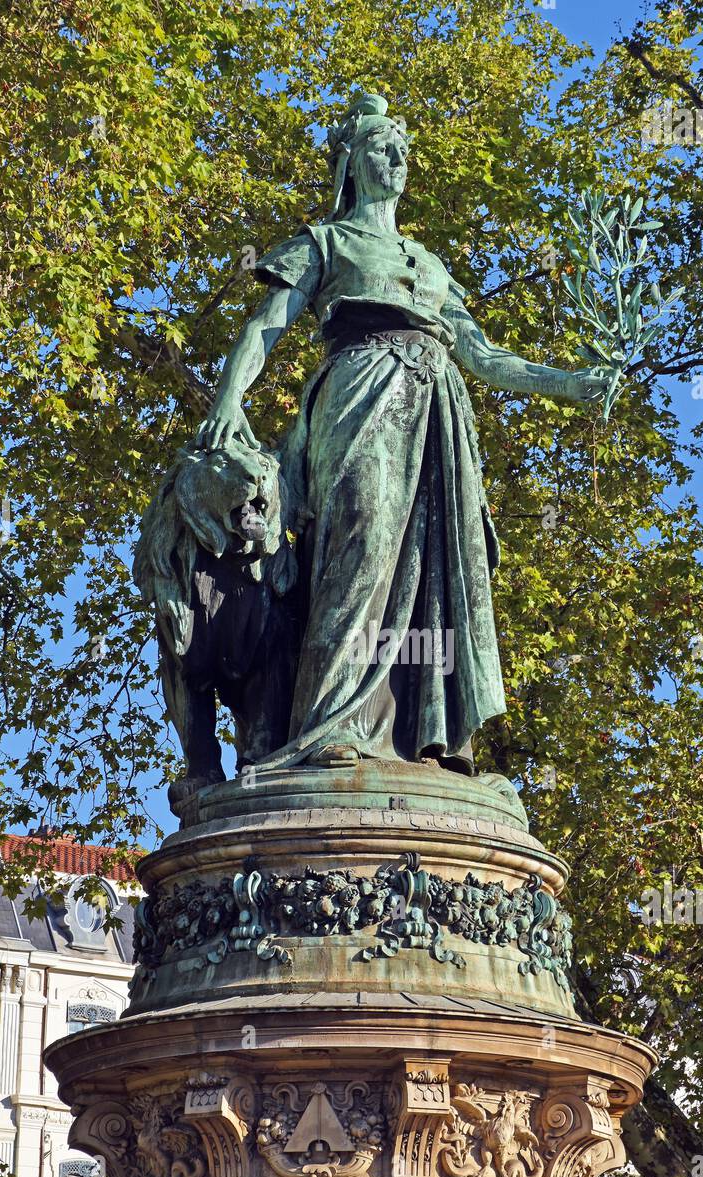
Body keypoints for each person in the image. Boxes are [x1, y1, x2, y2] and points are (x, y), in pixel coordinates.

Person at [197, 94, 605, 774]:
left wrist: (571, 383)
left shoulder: (432, 265)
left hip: (436, 412)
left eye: (404, 150)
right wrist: (228, 397)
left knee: (437, 565)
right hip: (359, 393)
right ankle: (328, 723)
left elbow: (484, 357)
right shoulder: (326, 242)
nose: (400, 159)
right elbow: (266, 326)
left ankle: (422, 736)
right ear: (354, 162)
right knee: (360, 540)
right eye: (385, 147)